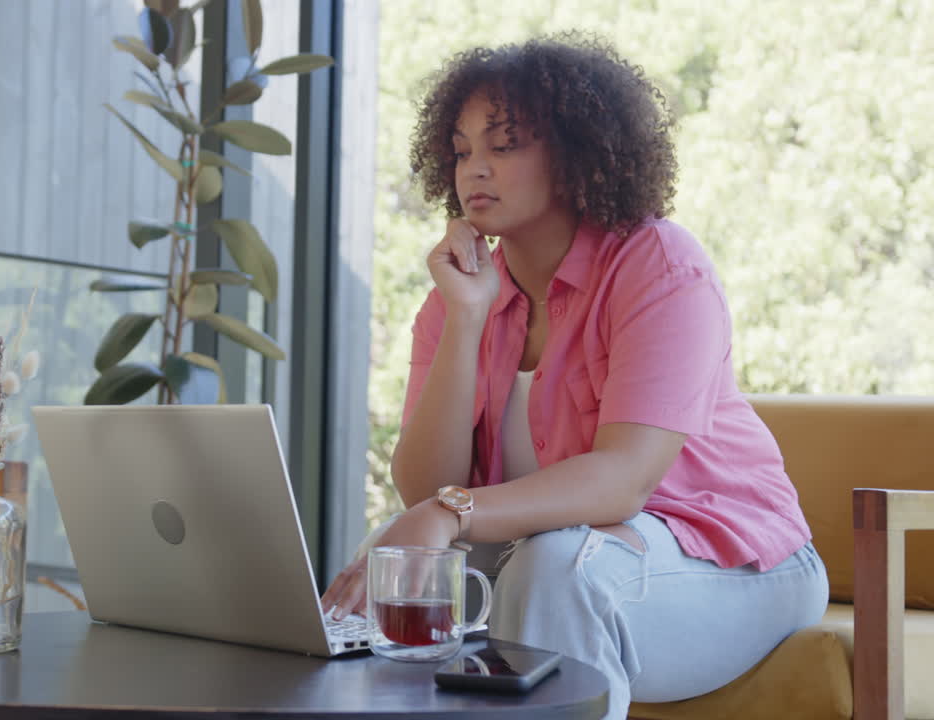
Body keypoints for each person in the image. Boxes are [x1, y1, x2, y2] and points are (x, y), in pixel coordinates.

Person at [320, 32, 829, 718]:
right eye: (463, 150)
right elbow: (422, 484)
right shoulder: (457, 298)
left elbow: (625, 479)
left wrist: (447, 510)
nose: (476, 169)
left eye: (504, 146)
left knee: (557, 568)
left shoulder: (659, 265)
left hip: (735, 569)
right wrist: (466, 319)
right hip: (565, 558)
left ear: (574, 153)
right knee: (390, 555)